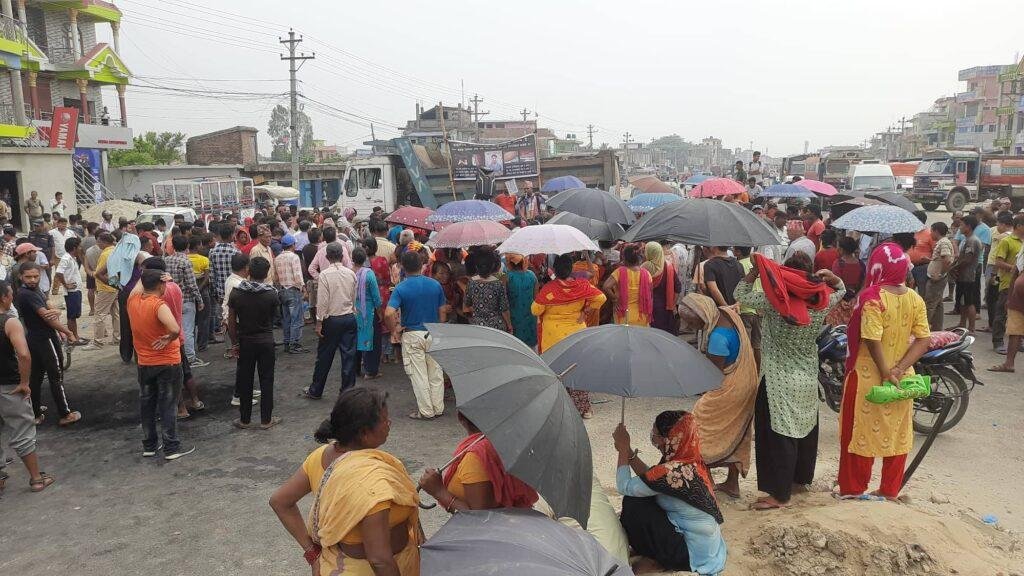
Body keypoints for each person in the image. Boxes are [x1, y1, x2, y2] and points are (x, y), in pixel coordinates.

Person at [269, 388, 421, 575]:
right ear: (364, 433)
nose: (389, 424)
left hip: (338, 565)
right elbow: (380, 560)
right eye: (384, 420)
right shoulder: (369, 479)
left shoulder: (320, 456)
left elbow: (280, 501)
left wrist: (312, 554)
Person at [737, 253, 845, 510]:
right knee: (804, 429)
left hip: (776, 378)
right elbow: (841, 291)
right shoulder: (821, 301)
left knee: (777, 435)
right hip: (806, 376)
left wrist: (754, 272)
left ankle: (778, 495)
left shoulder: (773, 301)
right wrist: (833, 278)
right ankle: (798, 481)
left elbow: (740, 294)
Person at [837, 243, 931, 500]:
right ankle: (889, 490)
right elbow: (924, 339)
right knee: (897, 434)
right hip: (903, 380)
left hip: (868, 376)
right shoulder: (915, 298)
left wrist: (886, 372)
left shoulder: (872, 297)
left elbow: (871, 338)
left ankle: (853, 489)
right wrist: (899, 369)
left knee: (858, 433)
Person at [612, 411, 727, 575]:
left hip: (689, 555)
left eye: (656, 435)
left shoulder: (671, 471)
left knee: (634, 502)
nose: (653, 438)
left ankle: (658, 560)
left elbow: (624, 486)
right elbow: (651, 479)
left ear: (669, 439)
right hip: (707, 548)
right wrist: (629, 452)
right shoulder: (690, 461)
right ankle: (658, 552)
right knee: (644, 493)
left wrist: (622, 449)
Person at [678, 292, 758, 499]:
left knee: (700, 426)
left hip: (730, 389)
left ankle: (707, 481)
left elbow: (713, 375)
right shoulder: (726, 314)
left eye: (692, 322)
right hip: (745, 385)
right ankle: (732, 483)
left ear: (703, 315)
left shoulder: (717, 338)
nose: (691, 327)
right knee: (737, 431)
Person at [126, 269, 195, 460]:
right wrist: (169, 337)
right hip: (167, 362)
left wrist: (147, 275)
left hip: (145, 362)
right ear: (160, 285)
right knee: (168, 405)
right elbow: (174, 328)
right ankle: (171, 447)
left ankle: (149, 445)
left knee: (147, 404)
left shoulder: (133, 301)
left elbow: (139, 285)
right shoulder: (158, 305)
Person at [0, 279, 57, 492]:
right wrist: (25, 382)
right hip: (9, 384)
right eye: (10, 294)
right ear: (4, 298)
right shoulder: (9, 322)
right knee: (22, 429)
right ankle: (36, 478)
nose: (12, 297)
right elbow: (24, 354)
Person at [532, 254, 607, 418]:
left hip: (553, 337)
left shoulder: (549, 289)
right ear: (571, 269)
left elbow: (535, 310)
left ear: (555, 270)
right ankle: (584, 409)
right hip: (576, 335)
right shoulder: (582, 285)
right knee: (578, 370)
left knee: (556, 371)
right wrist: (586, 310)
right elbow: (601, 298)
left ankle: (560, 409)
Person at [418, 412, 538, 512]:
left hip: (492, 529)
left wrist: (439, 492)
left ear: (461, 418)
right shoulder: (510, 441)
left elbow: (478, 518)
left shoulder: (476, 457)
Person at [14, 264, 80, 426]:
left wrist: (55, 312)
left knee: (36, 376)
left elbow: (49, 306)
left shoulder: (32, 290)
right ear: (21, 277)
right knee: (56, 375)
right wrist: (68, 332)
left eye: (35, 276)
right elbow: (47, 316)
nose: (32, 280)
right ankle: (65, 414)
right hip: (45, 338)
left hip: (35, 338)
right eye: (28, 277)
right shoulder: (27, 294)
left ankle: (35, 413)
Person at [386, 251, 447, 420]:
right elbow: (442, 311)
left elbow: (389, 313)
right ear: (421, 265)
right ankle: (438, 407)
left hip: (412, 334)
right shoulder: (435, 285)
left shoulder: (401, 288)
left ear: (403, 267)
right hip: (433, 332)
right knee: (435, 372)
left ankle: (426, 411)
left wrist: (394, 330)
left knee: (419, 374)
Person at [227, 257, 281, 430]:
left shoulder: (236, 293)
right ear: (266, 274)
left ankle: (245, 419)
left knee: (245, 380)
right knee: (267, 379)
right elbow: (275, 317)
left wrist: (234, 343)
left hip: (246, 341)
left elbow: (231, 322)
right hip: (266, 340)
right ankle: (266, 420)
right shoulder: (271, 294)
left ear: (249, 271)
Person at [305, 243, 359, 399]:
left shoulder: (325, 275)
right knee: (349, 356)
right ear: (342, 257)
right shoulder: (351, 273)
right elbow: (353, 296)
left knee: (324, 356)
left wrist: (319, 322)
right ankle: (347, 392)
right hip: (348, 317)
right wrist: (353, 311)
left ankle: (316, 390)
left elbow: (322, 301)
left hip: (332, 320)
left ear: (327, 257)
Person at [165, 235, 206, 367]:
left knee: (174, 329)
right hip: (186, 299)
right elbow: (192, 284)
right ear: (187, 246)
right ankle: (190, 358)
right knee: (188, 330)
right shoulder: (185, 262)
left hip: (170, 299)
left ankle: (177, 355)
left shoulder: (166, 260)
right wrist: (200, 300)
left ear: (173, 246)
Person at [989, 214, 1024, 354]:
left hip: (1020, 286)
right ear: (1019, 226)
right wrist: (1015, 268)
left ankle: (1019, 342)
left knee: (1019, 315)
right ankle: (998, 341)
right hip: (1007, 283)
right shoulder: (1006, 241)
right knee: (1002, 313)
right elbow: (998, 262)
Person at [352, 247, 383, 380]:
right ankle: (370, 371)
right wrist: (380, 313)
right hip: (368, 312)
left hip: (353, 311)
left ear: (353, 259)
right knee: (371, 340)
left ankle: (355, 369)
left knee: (355, 339)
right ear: (365, 258)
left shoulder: (349, 272)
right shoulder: (369, 274)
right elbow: (376, 297)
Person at [604, 244, 653, 327]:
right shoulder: (646, 274)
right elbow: (650, 293)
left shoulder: (619, 271)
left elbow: (606, 286)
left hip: (623, 313)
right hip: (641, 314)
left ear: (624, 258)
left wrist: (615, 299)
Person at [463, 249, 511, 332]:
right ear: (492, 265)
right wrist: (509, 325)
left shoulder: (471, 283)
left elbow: (467, 304)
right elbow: (504, 309)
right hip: (496, 326)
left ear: (476, 266)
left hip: (478, 326)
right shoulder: (498, 284)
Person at [950, 215, 983, 334]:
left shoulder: (972, 241)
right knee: (963, 301)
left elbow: (967, 259)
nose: (960, 227)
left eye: (962, 225)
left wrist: (954, 268)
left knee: (969, 302)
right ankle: (962, 324)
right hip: (964, 276)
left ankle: (971, 328)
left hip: (968, 276)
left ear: (968, 226)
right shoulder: (967, 239)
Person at [275, 234, 308, 354]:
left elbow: (275, 276)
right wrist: (303, 288)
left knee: (287, 319)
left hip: (282, 290)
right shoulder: (294, 257)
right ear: (292, 245)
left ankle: (287, 342)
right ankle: (294, 344)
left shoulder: (277, 258)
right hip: (293, 289)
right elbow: (297, 275)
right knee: (296, 319)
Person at [208, 223, 240, 338]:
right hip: (236, 289)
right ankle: (237, 341)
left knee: (225, 317)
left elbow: (212, 275)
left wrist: (214, 292)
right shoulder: (236, 252)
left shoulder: (212, 252)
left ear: (220, 236)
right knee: (237, 317)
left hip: (221, 291)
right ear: (231, 235)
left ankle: (228, 342)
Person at [53, 237, 87, 345]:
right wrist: (66, 285)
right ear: (74, 248)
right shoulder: (66, 258)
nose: (80, 248)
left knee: (74, 315)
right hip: (71, 292)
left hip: (76, 290)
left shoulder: (71, 258)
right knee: (71, 316)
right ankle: (73, 338)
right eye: (79, 246)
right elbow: (59, 272)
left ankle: (76, 336)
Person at [826, 236, 865, 327]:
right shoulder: (861, 265)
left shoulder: (838, 264)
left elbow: (834, 285)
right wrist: (855, 298)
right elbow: (864, 285)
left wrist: (841, 299)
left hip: (840, 302)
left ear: (841, 249)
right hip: (855, 303)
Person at [989, 269, 1024, 373]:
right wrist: (1009, 298)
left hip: (1017, 299)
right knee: (1014, 332)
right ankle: (1009, 364)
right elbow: (1015, 275)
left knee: (1015, 332)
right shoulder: (1021, 259)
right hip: (1017, 301)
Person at [642, 242, 681, 334]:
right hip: (665, 308)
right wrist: (673, 304)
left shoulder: (644, 267)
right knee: (663, 335)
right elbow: (678, 287)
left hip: (646, 306)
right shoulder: (669, 266)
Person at [923, 222, 954, 331]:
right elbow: (940, 259)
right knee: (938, 304)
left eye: (931, 231)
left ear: (936, 231)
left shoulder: (943, 243)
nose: (930, 233)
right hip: (937, 276)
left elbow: (947, 260)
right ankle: (937, 328)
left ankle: (923, 328)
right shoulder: (942, 242)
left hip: (937, 279)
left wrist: (940, 274)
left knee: (930, 304)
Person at [91, 232, 119, 344]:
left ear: (104, 242)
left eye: (98, 242)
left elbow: (99, 272)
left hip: (105, 287)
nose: (97, 244)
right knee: (116, 314)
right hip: (115, 286)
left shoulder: (106, 254)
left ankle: (98, 341)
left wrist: (94, 274)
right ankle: (117, 338)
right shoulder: (115, 251)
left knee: (100, 314)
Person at [504, 253, 537, 348]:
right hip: (530, 315)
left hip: (513, 317)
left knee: (516, 346)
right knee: (530, 348)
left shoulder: (506, 277)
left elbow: (504, 299)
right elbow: (535, 297)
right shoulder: (532, 275)